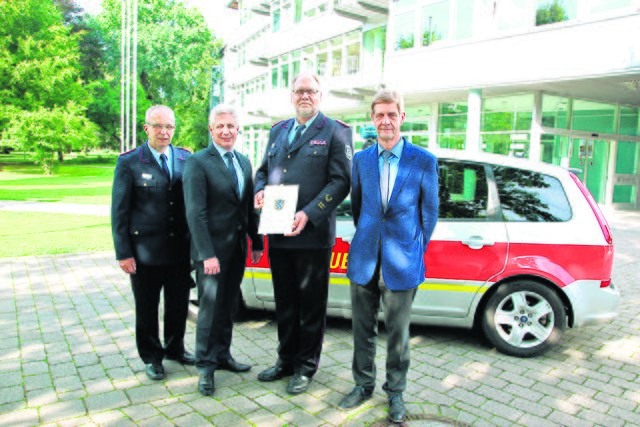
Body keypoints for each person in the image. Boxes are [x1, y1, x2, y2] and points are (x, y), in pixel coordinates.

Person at [338, 89, 439, 423]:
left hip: (402, 264)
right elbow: (358, 209)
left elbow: (429, 216)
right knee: (362, 331)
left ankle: (395, 393)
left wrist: (411, 250)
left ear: (402, 117)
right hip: (365, 259)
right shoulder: (362, 160)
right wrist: (370, 239)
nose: (385, 121)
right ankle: (362, 385)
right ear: (372, 118)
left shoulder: (423, 161)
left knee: (397, 335)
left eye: (391, 114)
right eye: (379, 114)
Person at [254, 72, 352, 395]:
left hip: (312, 235)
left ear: (320, 95)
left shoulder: (336, 132)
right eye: (299, 91)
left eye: (311, 90)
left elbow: (341, 182)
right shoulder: (278, 131)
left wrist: (309, 213)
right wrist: (258, 191)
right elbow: (263, 172)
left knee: (310, 304)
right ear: (291, 96)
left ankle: (305, 366)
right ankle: (285, 359)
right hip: (278, 233)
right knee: (285, 302)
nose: (305, 96)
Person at [183, 104, 264, 396]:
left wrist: (255, 241)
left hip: (236, 249)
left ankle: (223, 355)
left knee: (228, 305)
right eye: (220, 126)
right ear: (211, 129)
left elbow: (247, 206)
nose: (226, 131)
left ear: (238, 129)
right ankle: (205, 367)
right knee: (209, 309)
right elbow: (196, 213)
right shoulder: (198, 163)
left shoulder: (243, 161)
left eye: (231, 126)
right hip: (211, 254)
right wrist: (207, 254)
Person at [111, 105, 195, 381]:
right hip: (144, 252)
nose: (164, 132)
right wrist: (123, 252)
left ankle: (175, 349)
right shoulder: (130, 162)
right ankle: (151, 357)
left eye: (169, 126)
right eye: (158, 126)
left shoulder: (185, 158)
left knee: (178, 305)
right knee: (147, 308)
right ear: (146, 128)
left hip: (179, 251)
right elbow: (119, 211)